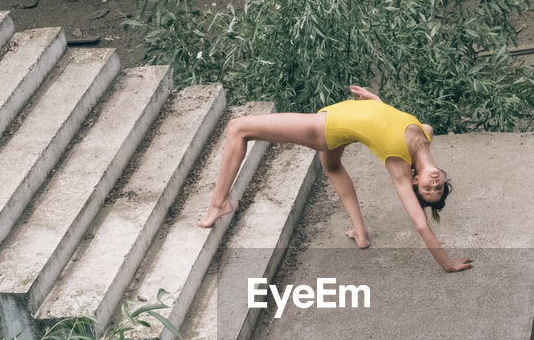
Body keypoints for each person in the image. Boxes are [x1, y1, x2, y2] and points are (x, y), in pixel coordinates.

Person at [196, 85, 473, 273]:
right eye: (438, 187)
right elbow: (387, 120)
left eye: (428, 189)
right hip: (343, 126)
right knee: (332, 167)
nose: (434, 182)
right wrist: (377, 102)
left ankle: (220, 203)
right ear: (443, 177)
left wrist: (446, 264)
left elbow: (421, 225)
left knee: (238, 128)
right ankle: (360, 232)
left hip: (325, 128)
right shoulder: (426, 133)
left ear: (415, 182)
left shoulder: (399, 165)